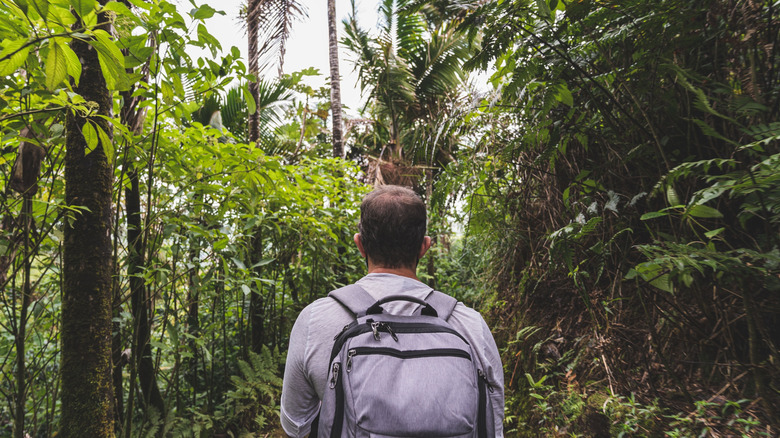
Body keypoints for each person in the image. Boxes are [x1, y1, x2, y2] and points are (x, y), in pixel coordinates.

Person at [280, 184, 505, 437]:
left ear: (360, 245)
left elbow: (296, 425)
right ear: (424, 246)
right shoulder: (470, 325)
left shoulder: (315, 320)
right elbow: (492, 428)